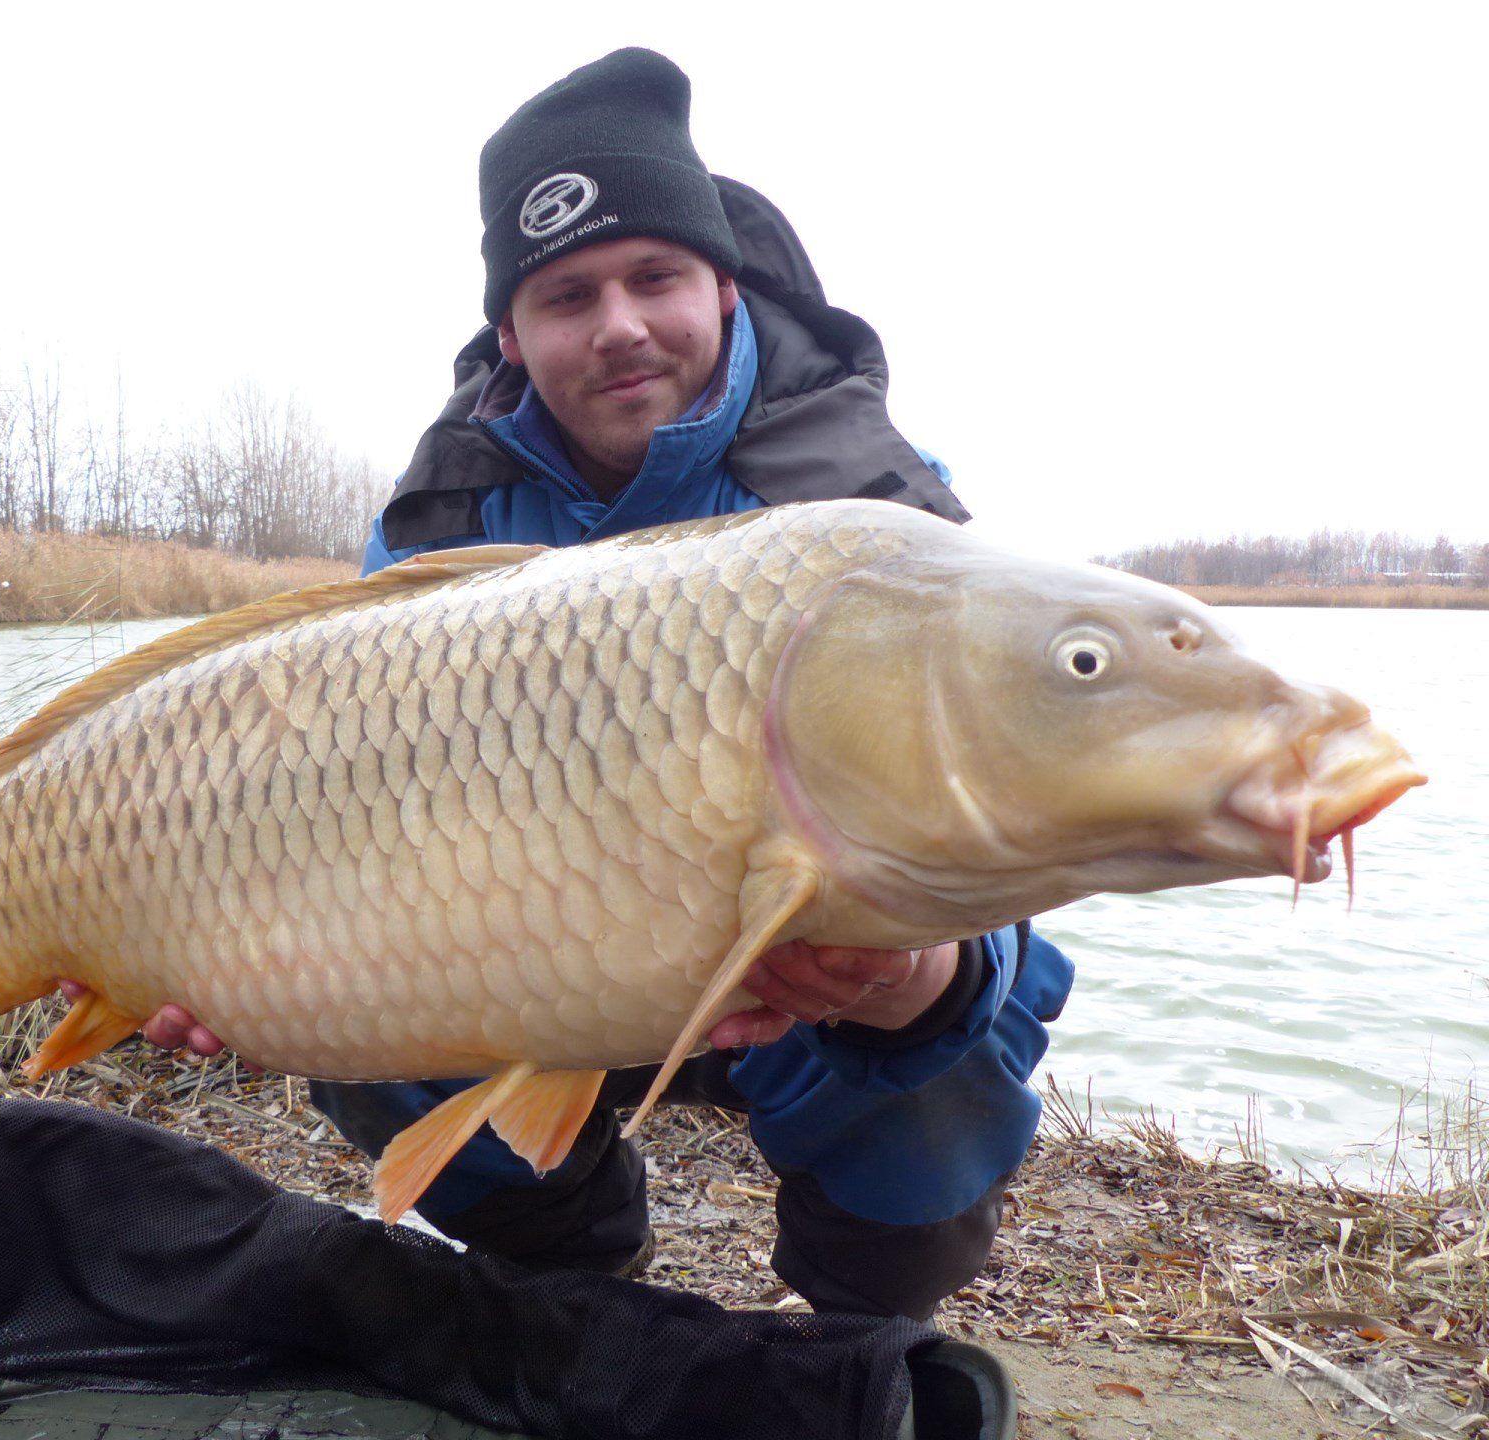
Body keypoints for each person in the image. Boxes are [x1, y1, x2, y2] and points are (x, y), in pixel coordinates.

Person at [64, 46, 1074, 1322]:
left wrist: (919, 975)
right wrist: (230, 957)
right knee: (361, 1034)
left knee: (953, 1030)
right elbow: (338, 809)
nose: (621, 326)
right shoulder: (444, 511)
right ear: (512, 331)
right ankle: (570, 1271)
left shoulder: (868, 501)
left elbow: (982, 794)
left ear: (720, 282)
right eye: (567, 295)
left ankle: (866, 1319)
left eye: (656, 277)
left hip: (809, 963)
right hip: (545, 950)